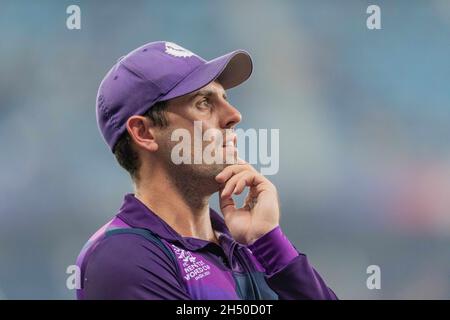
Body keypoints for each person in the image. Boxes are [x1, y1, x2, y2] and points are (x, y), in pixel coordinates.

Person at [76, 41, 337, 300]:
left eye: (225, 99)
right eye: (203, 103)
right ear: (144, 132)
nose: (234, 115)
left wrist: (268, 242)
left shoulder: (249, 247)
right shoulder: (121, 256)